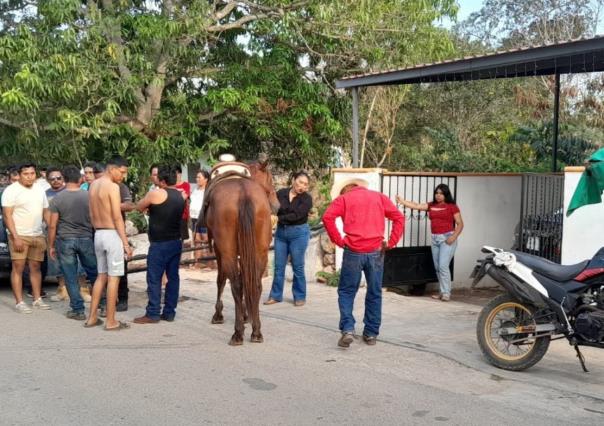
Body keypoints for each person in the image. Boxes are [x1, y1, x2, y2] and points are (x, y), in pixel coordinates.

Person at [322, 178, 404, 348]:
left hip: (353, 251)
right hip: (375, 252)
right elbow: (399, 218)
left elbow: (327, 217)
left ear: (346, 189)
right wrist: (392, 241)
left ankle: (348, 329)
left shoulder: (344, 199)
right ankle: (371, 334)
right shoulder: (379, 197)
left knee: (346, 291)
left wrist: (339, 240)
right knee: (374, 292)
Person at [84, 156, 132, 330]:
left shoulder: (93, 185)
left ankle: (92, 317)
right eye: (122, 172)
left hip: (98, 234)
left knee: (101, 276)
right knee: (113, 278)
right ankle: (111, 321)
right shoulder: (112, 187)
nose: (123, 176)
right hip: (112, 234)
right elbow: (117, 216)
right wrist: (126, 243)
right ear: (112, 169)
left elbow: (90, 213)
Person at [134, 165, 185, 324]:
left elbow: (139, 206)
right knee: (173, 278)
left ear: (162, 180)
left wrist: (149, 207)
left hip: (159, 243)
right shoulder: (181, 195)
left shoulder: (155, 193)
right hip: (176, 241)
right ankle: (169, 312)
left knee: (154, 278)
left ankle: (153, 313)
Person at [396, 184, 463, 302]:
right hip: (435, 239)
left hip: (447, 239)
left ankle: (446, 293)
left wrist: (453, 237)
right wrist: (402, 201)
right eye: (437, 193)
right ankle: (442, 292)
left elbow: (460, 224)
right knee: (438, 267)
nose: (438, 195)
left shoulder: (452, 206)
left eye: (441, 193)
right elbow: (416, 205)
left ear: (446, 194)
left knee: (443, 266)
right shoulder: (431, 205)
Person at [48, 166, 98, 320]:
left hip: (65, 240)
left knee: (70, 276)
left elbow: (52, 225)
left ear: (64, 179)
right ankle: (102, 304)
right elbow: (94, 219)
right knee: (94, 273)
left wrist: (50, 245)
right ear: (80, 179)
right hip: (86, 238)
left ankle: (77, 310)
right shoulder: (88, 196)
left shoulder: (57, 199)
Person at [1, 162, 51, 313]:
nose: (29, 177)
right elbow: (7, 216)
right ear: (20, 175)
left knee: (36, 268)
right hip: (19, 235)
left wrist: (50, 228)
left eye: (32, 174)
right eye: (26, 174)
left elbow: (46, 211)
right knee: (18, 268)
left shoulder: (40, 189)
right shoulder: (11, 191)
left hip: (37, 234)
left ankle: (37, 299)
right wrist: (15, 237)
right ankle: (20, 302)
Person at [264, 171, 312, 306]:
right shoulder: (281, 193)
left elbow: (296, 215)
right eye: (301, 182)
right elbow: (273, 207)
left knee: (297, 266)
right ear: (293, 180)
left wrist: (278, 218)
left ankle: (299, 296)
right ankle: (275, 295)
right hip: (281, 234)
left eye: (306, 184)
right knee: (278, 267)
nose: (302, 186)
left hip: (298, 234)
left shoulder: (306, 199)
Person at [44, 167, 68, 302]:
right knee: (57, 262)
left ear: (63, 178)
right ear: (48, 180)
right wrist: (52, 225)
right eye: (52, 179)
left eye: (58, 178)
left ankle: (83, 289)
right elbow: (45, 213)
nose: (56, 181)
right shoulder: (45, 194)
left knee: (75, 262)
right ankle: (62, 289)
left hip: (69, 231)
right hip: (52, 232)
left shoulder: (69, 192)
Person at [191, 169, 211, 268]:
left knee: (206, 239)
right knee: (196, 240)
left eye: (199, 177)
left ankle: (211, 262)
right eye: (196, 177)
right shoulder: (195, 189)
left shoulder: (208, 191)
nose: (197, 179)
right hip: (194, 218)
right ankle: (197, 262)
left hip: (204, 218)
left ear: (206, 179)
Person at [174, 165, 191, 241]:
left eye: (178, 173)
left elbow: (184, 198)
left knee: (182, 238)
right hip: (171, 215)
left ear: (180, 174)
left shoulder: (186, 185)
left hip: (182, 215)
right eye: (174, 173)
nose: (176, 175)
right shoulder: (170, 185)